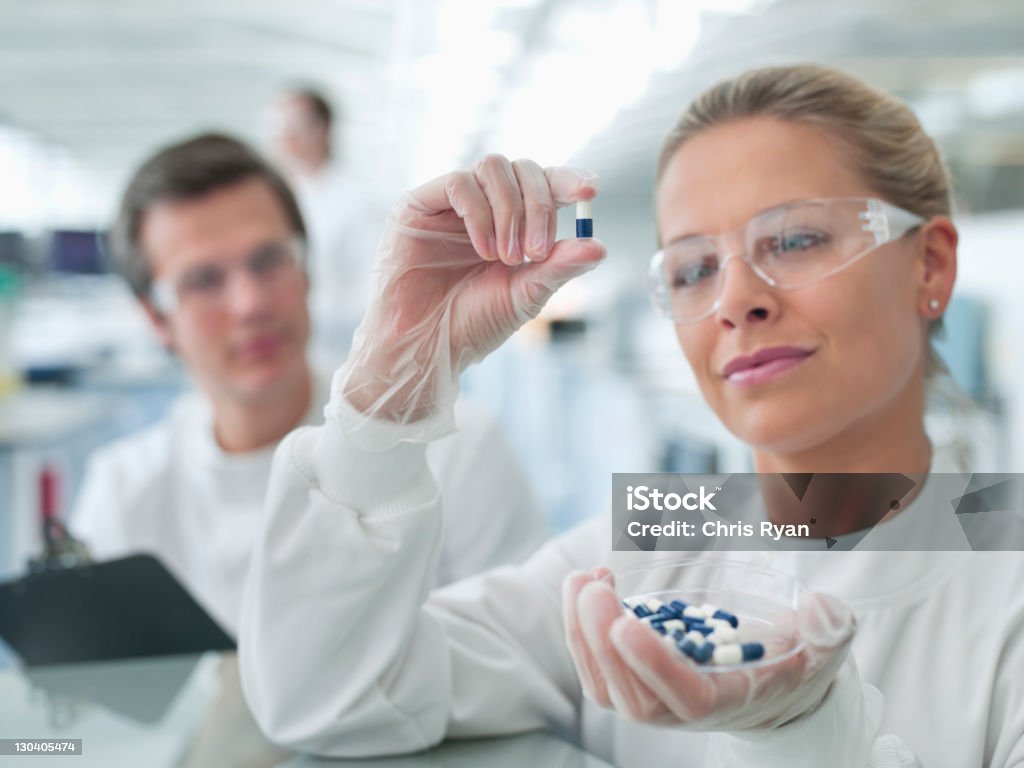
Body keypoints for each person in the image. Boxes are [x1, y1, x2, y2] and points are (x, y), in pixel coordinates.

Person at [238, 65, 1024, 766]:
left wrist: (804, 734)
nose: (735, 299)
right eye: (693, 269)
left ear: (931, 264)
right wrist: (388, 382)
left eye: (796, 239)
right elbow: (330, 693)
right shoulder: (660, 532)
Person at [70, 133, 546, 636]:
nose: (250, 303)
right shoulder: (123, 492)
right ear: (156, 319)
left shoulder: (455, 443)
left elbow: (533, 647)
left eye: (269, 261)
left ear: (307, 270)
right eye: (204, 281)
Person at [270, 86, 380, 362]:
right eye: (279, 126)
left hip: (339, 353)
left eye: (293, 126)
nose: (285, 137)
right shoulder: (285, 195)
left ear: (323, 129)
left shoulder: (358, 199)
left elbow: (374, 290)